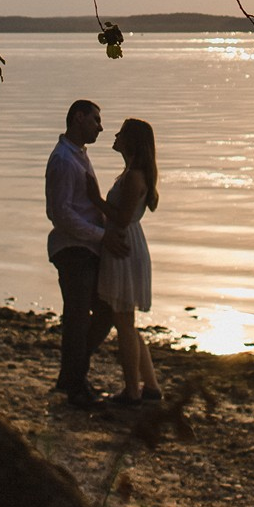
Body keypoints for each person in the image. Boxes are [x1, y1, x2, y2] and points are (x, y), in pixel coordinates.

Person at [44, 98, 125, 408]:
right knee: (78, 317)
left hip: (87, 247)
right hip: (73, 249)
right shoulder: (63, 160)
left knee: (102, 312)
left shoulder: (78, 155)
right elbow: (60, 214)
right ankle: (74, 384)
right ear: (78, 118)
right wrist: (101, 236)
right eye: (95, 120)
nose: (101, 127)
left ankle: (73, 375)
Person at [98, 116, 162, 407]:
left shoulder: (134, 176)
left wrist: (92, 198)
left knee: (124, 323)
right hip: (129, 242)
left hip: (124, 244)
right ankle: (150, 386)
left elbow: (121, 217)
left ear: (131, 141)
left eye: (121, 133)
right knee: (127, 322)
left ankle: (132, 391)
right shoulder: (131, 173)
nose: (115, 135)